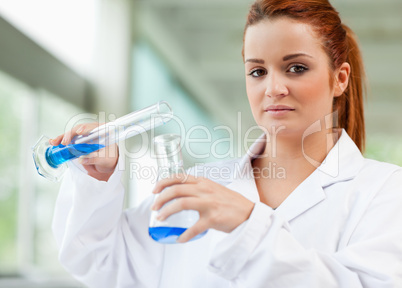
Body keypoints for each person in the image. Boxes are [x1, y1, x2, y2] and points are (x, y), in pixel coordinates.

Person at [50, 0, 402, 287]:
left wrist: (248, 225)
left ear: (339, 78)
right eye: (257, 71)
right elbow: (101, 262)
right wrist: (97, 177)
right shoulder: (202, 185)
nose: (273, 89)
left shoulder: (385, 193)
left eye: (295, 68)